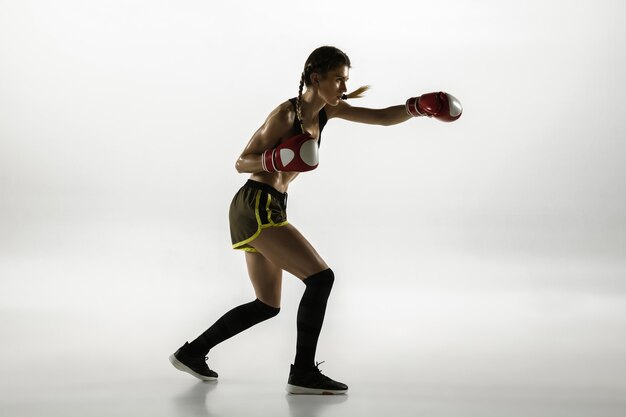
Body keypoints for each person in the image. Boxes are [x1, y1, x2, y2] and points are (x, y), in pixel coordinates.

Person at [169, 45, 462, 395]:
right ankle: (303, 372)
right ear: (315, 77)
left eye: (345, 80)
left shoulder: (327, 112)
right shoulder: (285, 114)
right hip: (256, 204)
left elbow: (382, 117)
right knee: (321, 279)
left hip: (270, 205)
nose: (342, 87)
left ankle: (192, 352)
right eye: (338, 79)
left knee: (266, 305)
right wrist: (278, 158)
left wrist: (417, 108)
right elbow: (241, 162)